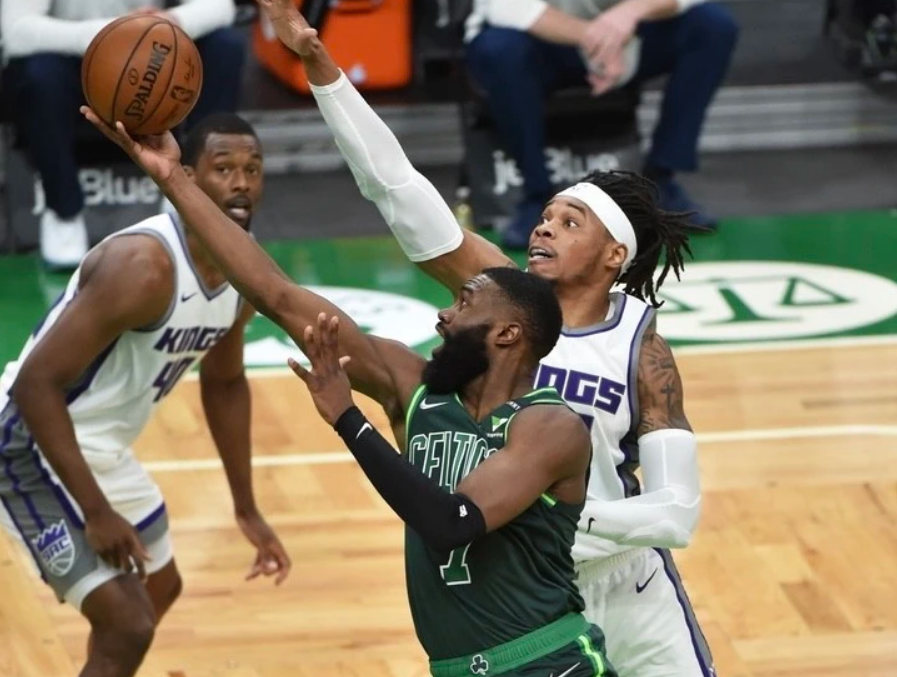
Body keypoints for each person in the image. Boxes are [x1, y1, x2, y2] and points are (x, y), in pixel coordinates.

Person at [81, 96, 620, 677]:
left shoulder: (550, 427)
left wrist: (348, 419)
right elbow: (276, 293)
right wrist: (172, 181)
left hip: (547, 662)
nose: (442, 317)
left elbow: (450, 524)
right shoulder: (412, 386)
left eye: (462, 304)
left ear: (508, 333)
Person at [256, 1, 710, 675]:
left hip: (633, 588)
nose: (544, 228)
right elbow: (394, 187)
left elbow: (676, 512)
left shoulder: (640, 346)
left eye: (570, 220)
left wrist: (566, 524)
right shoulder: (499, 294)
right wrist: (320, 63)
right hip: (537, 595)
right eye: (546, 215)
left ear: (614, 254)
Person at [0, 113, 290, 677]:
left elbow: (225, 383)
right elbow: (36, 384)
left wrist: (247, 507)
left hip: (101, 448)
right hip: (28, 442)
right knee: (128, 624)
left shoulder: (241, 268)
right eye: (223, 167)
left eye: (253, 169)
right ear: (186, 175)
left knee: (160, 586)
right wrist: (97, 512)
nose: (241, 183)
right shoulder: (145, 266)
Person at [464, 0, 739, 244]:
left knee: (712, 26)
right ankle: (537, 196)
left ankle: (660, 181)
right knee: (500, 49)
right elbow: (508, 8)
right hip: (541, 40)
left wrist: (632, 11)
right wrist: (599, 40)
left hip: (628, 34)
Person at [0, 0, 248, 269]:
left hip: (154, 58)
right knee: (38, 75)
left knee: (225, 47)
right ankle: (63, 211)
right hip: (76, 62)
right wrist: (106, 35)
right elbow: (15, 30)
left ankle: (196, 198)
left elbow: (221, 6)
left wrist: (169, 21)